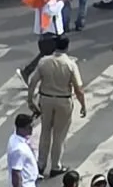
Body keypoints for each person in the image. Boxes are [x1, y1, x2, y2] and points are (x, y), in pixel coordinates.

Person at [25, 36, 86, 173]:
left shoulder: (44, 61)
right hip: (63, 101)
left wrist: (30, 101)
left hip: (46, 100)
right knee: (59, 136)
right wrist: (83, 105)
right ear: (67, 47)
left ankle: (41, 164)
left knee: (45, 133)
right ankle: (55, 166)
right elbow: (79, 89)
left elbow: (33, 82)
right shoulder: (70, 64)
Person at [5, 113, 40, 187]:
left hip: (29, 185)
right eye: (29, 127)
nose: (32, 129)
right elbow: (16, 174)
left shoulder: (14, 137)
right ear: (21, 128)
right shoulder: (19, 150)